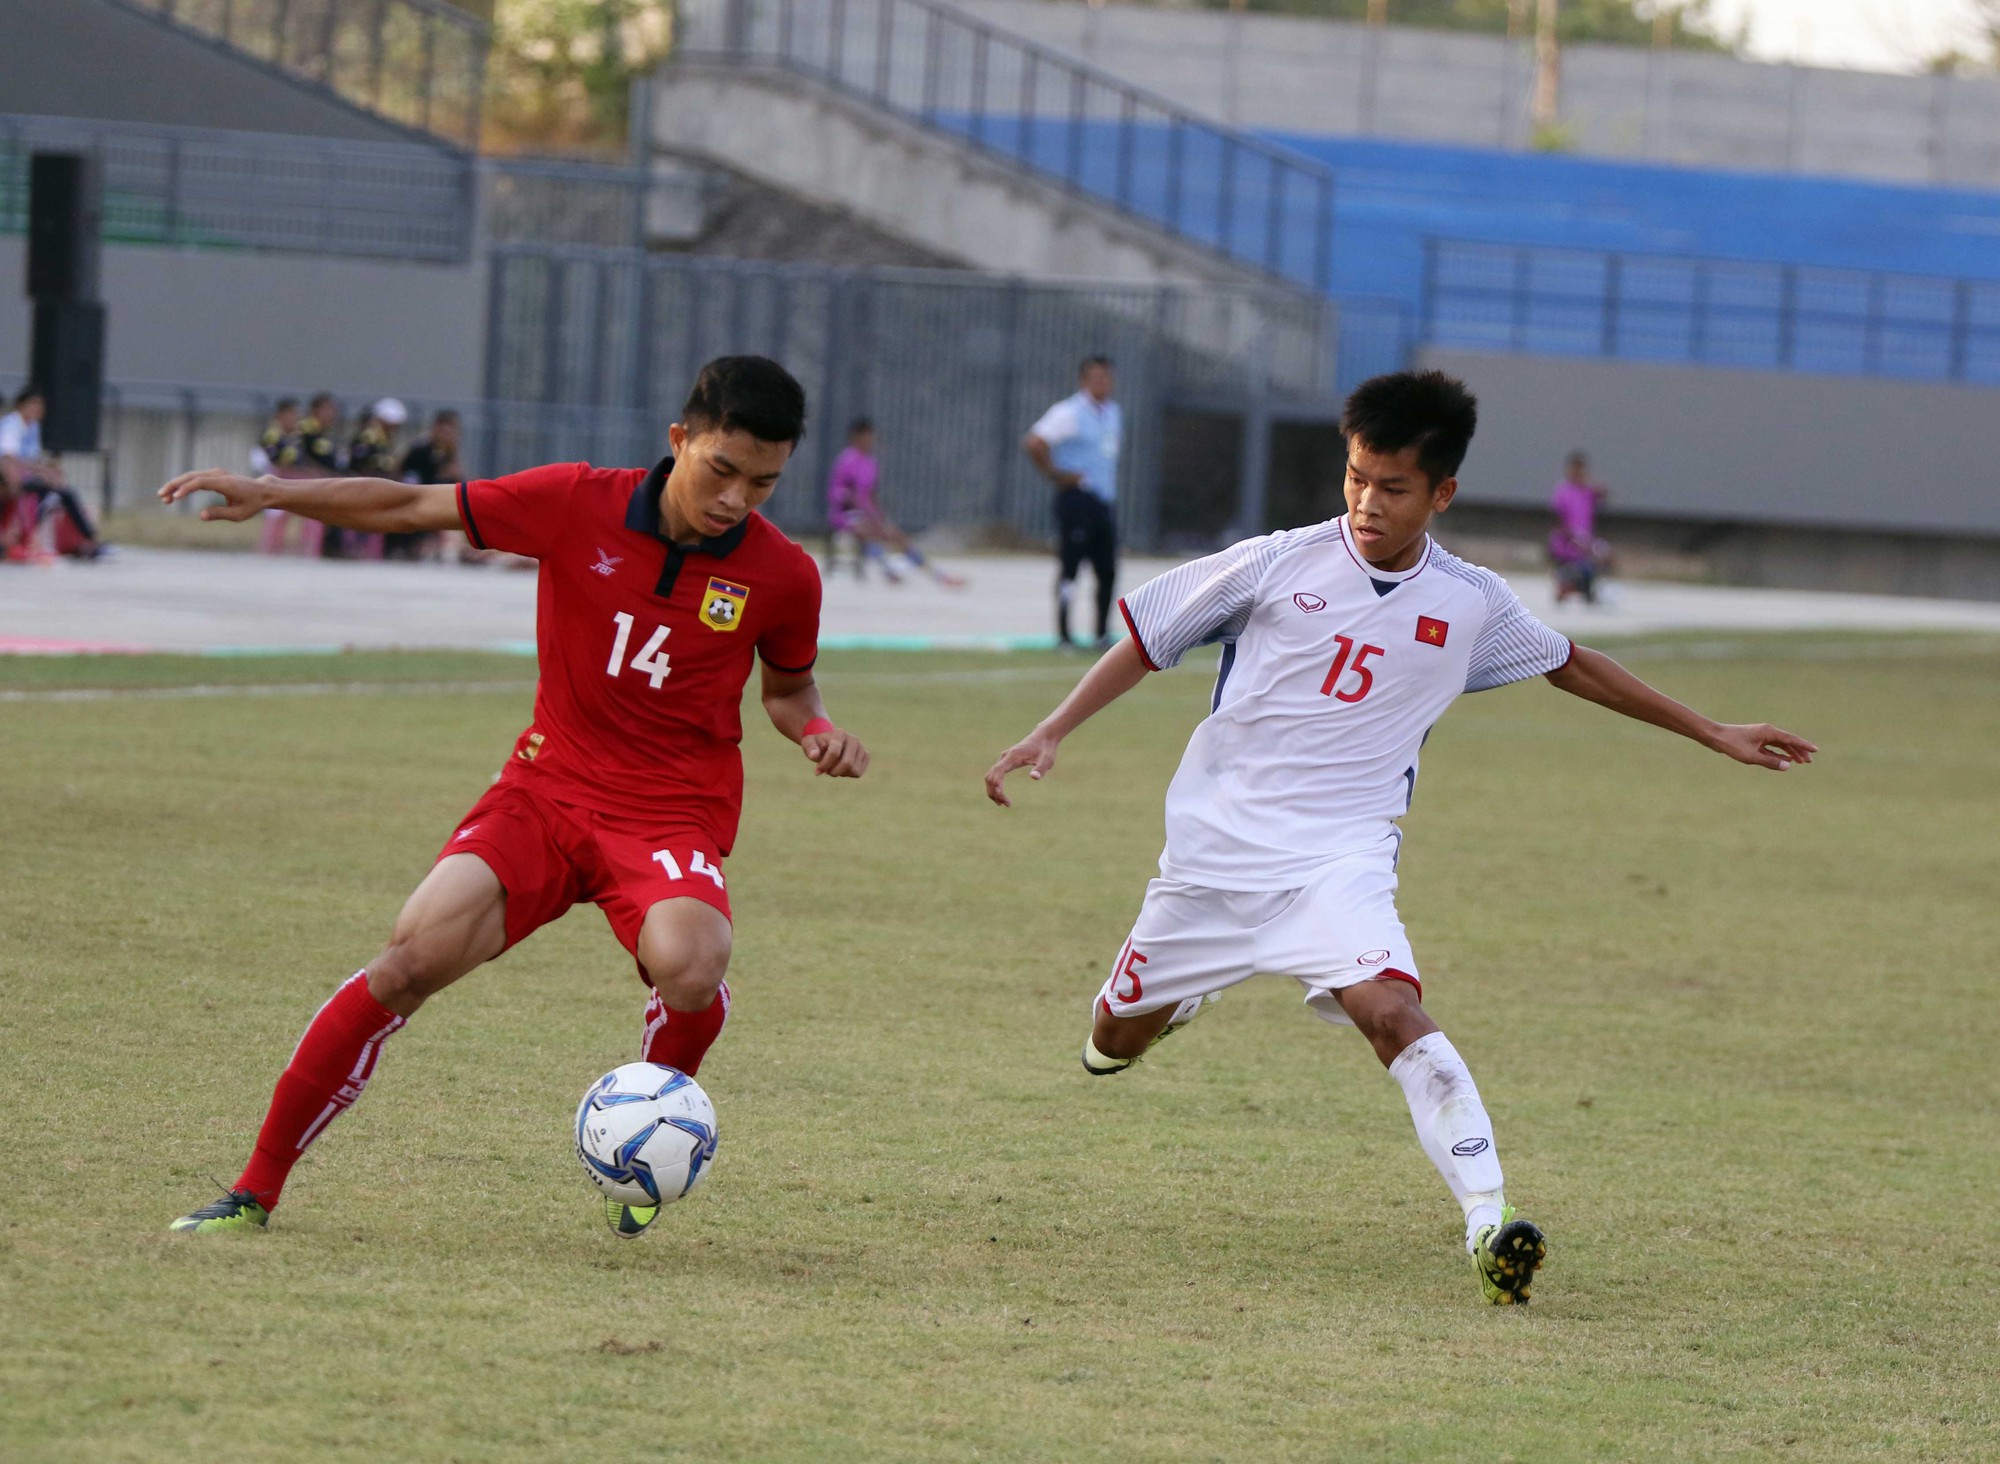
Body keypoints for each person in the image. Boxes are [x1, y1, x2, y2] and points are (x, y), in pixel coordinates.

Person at [983, 370, 1816, 1305]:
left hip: (1339, 861)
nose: (1367, 503)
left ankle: (1490, 1222)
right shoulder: (1276, 562)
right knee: (1110, 1042)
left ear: (1442, 494)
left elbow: (1572, 665)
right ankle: (1175, 1000)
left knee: (1394, 1014)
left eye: (1393, 488)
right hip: (1214, 861)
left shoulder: (1471, 602)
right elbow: (1148, 637)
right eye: (1355, 478)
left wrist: (1712, 729)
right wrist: (1052, 728)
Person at [158, 356, 870, 1239]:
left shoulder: (784, 574)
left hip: (668, 810)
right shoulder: (574, 501)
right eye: (721, 470)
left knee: (691, 967)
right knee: (407, 961)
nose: (736, 498)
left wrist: (816, 732)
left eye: (763, 482)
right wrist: (273, 491)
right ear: (680, 439)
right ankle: (253, 1190)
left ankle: (652, 1130)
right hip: (546, 788)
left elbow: (789, 691)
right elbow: (410, 505)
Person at [1024, 357, 1121, 647]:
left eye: (1106, 378)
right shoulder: (1069, 412)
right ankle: (1064, 634)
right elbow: (1035, 442)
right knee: (1071, 566)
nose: (1102, 384)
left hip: (1102, 500)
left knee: (1107, 569)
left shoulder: (1113, 412)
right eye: (1096, 378)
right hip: (1077, 499)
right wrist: (1056, 474)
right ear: (1083, 381)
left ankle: (1101, 632)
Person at [825, 418, 965, 587]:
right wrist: (856, 506)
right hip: (845, 515)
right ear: (857, 437)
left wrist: (878, 515)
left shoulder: (870, 463)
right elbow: (838, 493)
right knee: (867, 529)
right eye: (867, 436)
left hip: (868, 514)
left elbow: (870, 494)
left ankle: (938, 575)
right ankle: (888, 570)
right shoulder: (846, 460)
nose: (871, 441)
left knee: (895, 534)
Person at [0, 386, 106, 559]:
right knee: (57, 493)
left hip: (24, 475)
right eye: (33, 405)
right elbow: (8, 457)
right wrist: (42, 471)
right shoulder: (12, 425)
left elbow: (30, 459)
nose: (37, 410)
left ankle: (85, 539)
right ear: (21, 405)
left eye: (40, 406)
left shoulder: (33, 427)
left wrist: (49, 470)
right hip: (9, 478)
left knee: (58, 492)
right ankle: (86, 538)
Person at [389, 408, 463, 562]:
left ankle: (447, 549)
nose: (450, 436)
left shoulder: (448, 452)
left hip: (442, 500)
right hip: (422, 499)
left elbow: (456, 478)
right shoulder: (421, 449)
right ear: (436, 428)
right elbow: (408, 477)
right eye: (446, 431)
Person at [1549, 451, 1611, 605]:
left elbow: (1604, 493)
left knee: (1603, 554)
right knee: (1579, 564)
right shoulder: (1562, 491)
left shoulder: (1587, 491)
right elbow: (1557, 520)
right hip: (1567, 541)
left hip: (1586, 540)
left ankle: (1584, 588)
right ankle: (1568, 586)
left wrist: (1588, 481)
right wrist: (1573, 539)